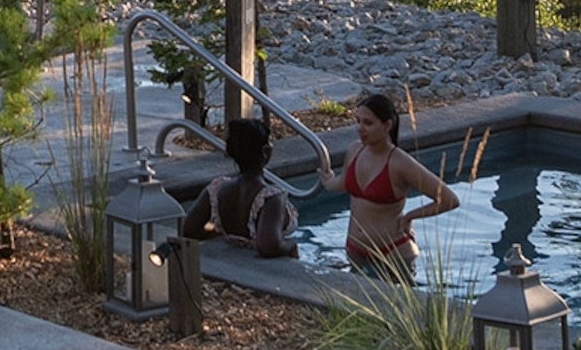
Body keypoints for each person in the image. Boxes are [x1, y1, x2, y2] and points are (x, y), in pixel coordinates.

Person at [319, 91, 456, 274]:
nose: (360, 128)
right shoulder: (354, 150)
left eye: (368, 123)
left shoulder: (400, 163)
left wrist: (410, 216)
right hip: (355, 250)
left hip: (393, 253)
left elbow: (449, 199)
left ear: (387, 125)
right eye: (358, 121)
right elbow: (344, 183)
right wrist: (329, 182)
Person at [181, 118, 301, 258]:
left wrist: (220, 233)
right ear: (265, 151)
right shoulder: (271, 197)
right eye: (270, 141)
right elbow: (269, 246)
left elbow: (189, 229)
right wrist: (290, 247)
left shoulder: (217, 190)